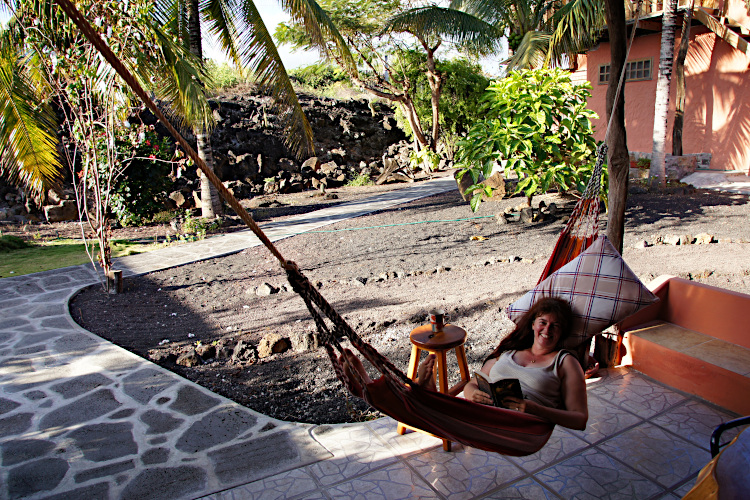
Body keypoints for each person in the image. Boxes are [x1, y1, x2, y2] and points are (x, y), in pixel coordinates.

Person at [336, 297, 587, 431]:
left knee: (431, 411)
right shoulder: (509, 353)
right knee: (433, 410)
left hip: (519, 426)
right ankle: (409, 390)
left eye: (555, 326)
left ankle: (381, 389)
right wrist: (474, 394)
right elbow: (472, 383)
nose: (547, 330)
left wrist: (533, 409)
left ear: (563, 331)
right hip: (482, 411)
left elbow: (579, 419)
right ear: (532, 324)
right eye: (543, 322)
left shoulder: (564, 362)